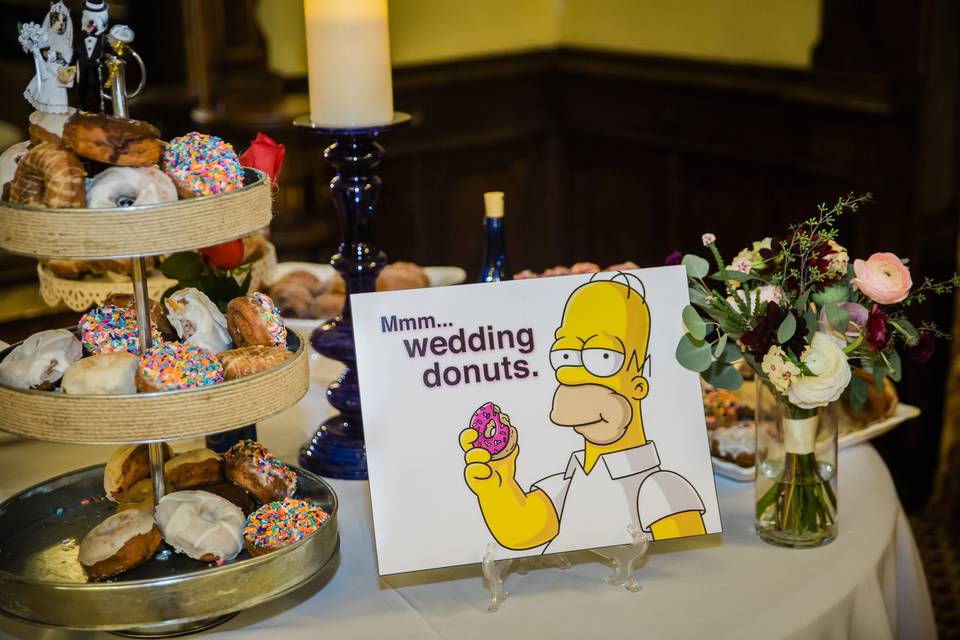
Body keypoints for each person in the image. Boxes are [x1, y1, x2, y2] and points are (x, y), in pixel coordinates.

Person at [460, 273, 706, 553]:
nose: (575, 378)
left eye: (602, 357)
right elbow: (521, 532)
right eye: (565, 355)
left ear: (638, 382)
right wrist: (497, 485)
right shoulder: (569, 480)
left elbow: (688, 566)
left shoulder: (661, 489)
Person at [23, 1, 74, 114]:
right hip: (46, 69)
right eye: (57, 20)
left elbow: (68, 56)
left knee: (56, 101)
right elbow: (40, 43)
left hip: (57, 72)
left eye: (63, 21)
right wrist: (31, 41)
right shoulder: (49, 35)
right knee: (43, 99)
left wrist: (57, 56)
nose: (60, 23)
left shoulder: (65, 41)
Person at [74, 0, 109, 113]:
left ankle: (100, 109)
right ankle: (80, 106)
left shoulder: (103, 39)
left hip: (96, 67)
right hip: (83, 66)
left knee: (96, 88)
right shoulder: (81, 37)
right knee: (81, 87)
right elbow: (76, 52)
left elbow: (110, 51)